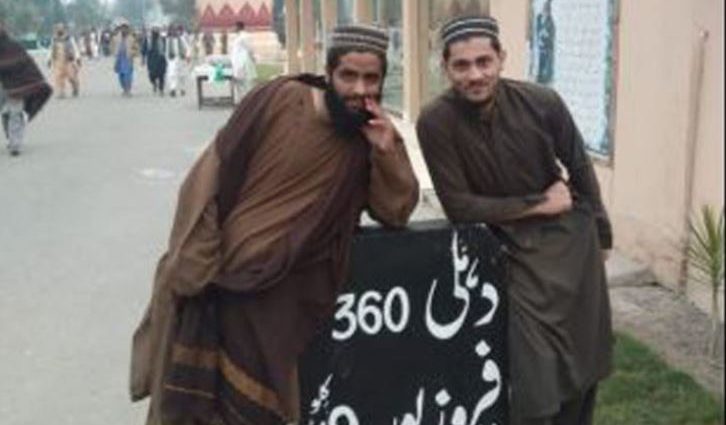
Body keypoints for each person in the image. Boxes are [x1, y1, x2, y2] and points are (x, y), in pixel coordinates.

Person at [129, 23, 419, 425]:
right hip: (218, 282)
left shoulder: (368, 138)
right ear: (329, 73)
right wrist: (197, 268)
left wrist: (386, 152)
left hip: (281, 308)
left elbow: (396, 212)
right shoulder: (277, 99)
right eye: (348, 76)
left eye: (371, 79)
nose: (359, 89)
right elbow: (207, 179)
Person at [417, 15, 613, 425]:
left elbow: (579, 167)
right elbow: (460, 207)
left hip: (572, 248)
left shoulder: (542, 102)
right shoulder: (435, 122)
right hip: (511, 255)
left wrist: (602, 235)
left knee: (582, 363)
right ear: (445, 67)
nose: (475, 75)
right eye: (462, 65)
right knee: (535, 381)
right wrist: (541, 203)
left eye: (484, 61)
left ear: (502, 58)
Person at [0, 24, 52, 156]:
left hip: (17, 87)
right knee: (6, 114)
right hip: (2, 87)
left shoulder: (14, 46)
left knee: (15, 113)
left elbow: (27, 64)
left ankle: (15, 144)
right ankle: (11, 137)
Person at [47, 24, 81, 98]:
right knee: (59, 77)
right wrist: (49, 59)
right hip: (58, 61)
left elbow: (75, 48)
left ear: (64, 29)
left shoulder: (69, 39)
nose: (59, 30)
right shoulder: (54, 39)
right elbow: (50, 49)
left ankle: (75, 87)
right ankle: (61, 93)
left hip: (68, 60)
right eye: (58, 28)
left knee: (71, 76)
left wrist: (78, 58)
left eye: (61, 28)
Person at [230, 21, 257, 97]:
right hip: (237, 63)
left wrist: (253, 57)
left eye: (235, 27)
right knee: (239, 83)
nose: (234, 28)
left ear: (239, 27)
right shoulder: (238, 37)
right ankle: (241, 99)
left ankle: (249, 98)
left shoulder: (244, 36)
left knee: (247, 83)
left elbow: (250, 48)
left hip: (244, 62)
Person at [112, 22, 140, 96]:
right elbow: (112, 46)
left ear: (128, 29)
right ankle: (124, 88)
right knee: (121, 75)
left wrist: (132, 53)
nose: (124, 30)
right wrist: (114, 52)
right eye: (122, 28)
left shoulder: (132, 38)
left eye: (125, 28)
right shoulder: (116, 38)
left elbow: (137, 49)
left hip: (128, 59)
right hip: (119, 59)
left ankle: (128, 90)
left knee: (128, 75)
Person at [165, 25, 190, 97]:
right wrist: (168, 60)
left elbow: (187, 48)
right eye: (172, 30)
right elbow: (166, 51)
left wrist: (187, 56)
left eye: (175, 30)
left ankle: (182, 89)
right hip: (172, 59)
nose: (173, 32)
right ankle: (173, 89)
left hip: (181, 59)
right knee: (172, 75)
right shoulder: (168, 40)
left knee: (182, 75)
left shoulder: (181, 39)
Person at [143, 27, 167, 95]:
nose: (155, 33)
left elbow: (166, 48)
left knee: (161, 75)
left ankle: (161, 89)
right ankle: (154, 84)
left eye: (156, 31)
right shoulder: (148, 39)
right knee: (151, 75)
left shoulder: (162, 39)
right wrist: (143, 58)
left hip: (161, 60)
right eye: (154, 31)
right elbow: (144, 49)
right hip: (151, 60)